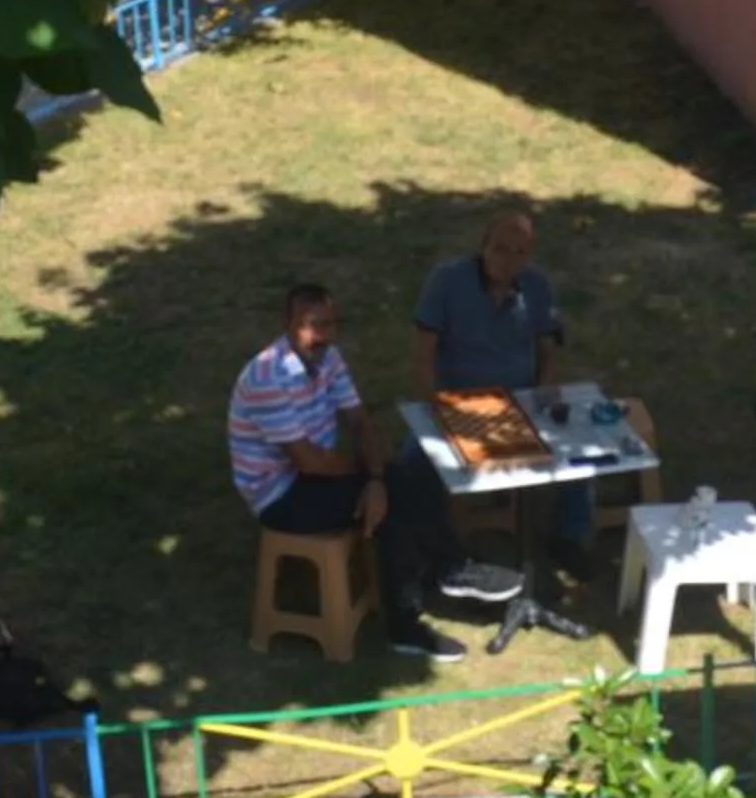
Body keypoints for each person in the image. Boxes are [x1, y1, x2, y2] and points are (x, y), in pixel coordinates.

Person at [230, 284, 520, 662]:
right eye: (313, 325)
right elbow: (308, 461)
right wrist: (371, 478)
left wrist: (376, 479)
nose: (325, 336)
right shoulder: (267, 377)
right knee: (398, 495)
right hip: (280, 495)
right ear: (288, 324)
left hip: (321, 476)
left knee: (403, 484)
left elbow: (359, 420)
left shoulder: (329, 359)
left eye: (331, 325)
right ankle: (444, 577)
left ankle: (427, 597)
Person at [410, 209, 603, 575]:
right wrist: (437, 406)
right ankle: (436, 553)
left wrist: (546, 387)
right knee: (413, 465)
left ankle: (569, 537)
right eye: (501, 249)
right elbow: (423, 356)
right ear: (483, 247)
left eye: (520, 252)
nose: (509, 261)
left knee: (581, 450)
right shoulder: (446, 282)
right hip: (459, 401)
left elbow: (549, 351)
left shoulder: (537, 286)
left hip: (520, 402)